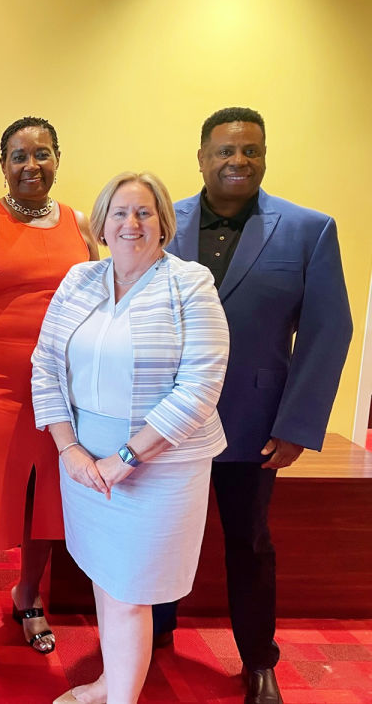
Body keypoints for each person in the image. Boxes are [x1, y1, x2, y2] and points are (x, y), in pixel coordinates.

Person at [153, 107, 353, 704]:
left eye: (251, 151)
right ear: (201, 156)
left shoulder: (307, 229)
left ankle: (258, 659)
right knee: (161, 533)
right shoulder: (161, 221)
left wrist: (297, 425)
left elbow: (328, 330)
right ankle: (154, 635)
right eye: (225, 150)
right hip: (165, 421)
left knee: (249, 542)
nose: (238, 161)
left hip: (253, 422)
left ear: (264, 156)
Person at [32, 172, 230, 704]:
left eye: (144, 212)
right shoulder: (79, 279)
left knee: (129, 593)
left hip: (159, 469)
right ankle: (109, 683)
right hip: (83, 464)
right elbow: (45, 365)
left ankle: (121, 697)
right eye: (119, 212)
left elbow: (201, 385)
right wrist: (69, 449)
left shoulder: (190, 284)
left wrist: (127, 456)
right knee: (106, 579)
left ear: (163, 222)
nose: (131, 223)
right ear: (102, 222)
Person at [0, 116, 96, 695]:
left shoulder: (81, 224)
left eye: (43, 153)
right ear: (2, 164)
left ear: (58, 158)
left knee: (49, 504)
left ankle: (27, 597)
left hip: (63, 393)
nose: (32, 165)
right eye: (19, 156)